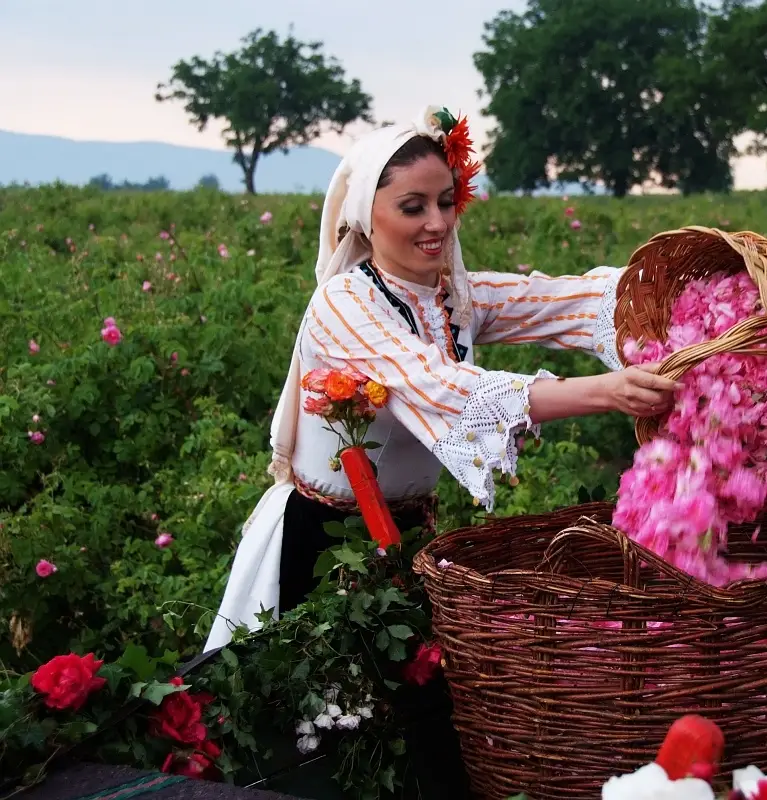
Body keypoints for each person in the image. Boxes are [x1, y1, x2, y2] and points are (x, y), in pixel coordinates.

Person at [201, 108, 675, 793]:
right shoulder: (346, 303)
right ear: (366, 216)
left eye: (446, 203)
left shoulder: (448, 297)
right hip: (324, 542)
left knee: (419, 720)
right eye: (412, 206)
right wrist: (601, 392)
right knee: (318, 731)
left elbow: (556, 300)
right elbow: (441, 385)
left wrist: (673, 296)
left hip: (404, 536)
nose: (436, 223)